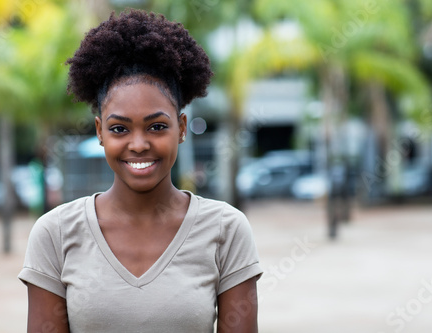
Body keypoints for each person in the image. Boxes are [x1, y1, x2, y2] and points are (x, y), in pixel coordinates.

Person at [18, 9, 262, 333]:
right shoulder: (55, 234)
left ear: (182, 128)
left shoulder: (226, 231)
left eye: (157, 126)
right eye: (119, 129)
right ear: (100, 132)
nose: (138, 144)